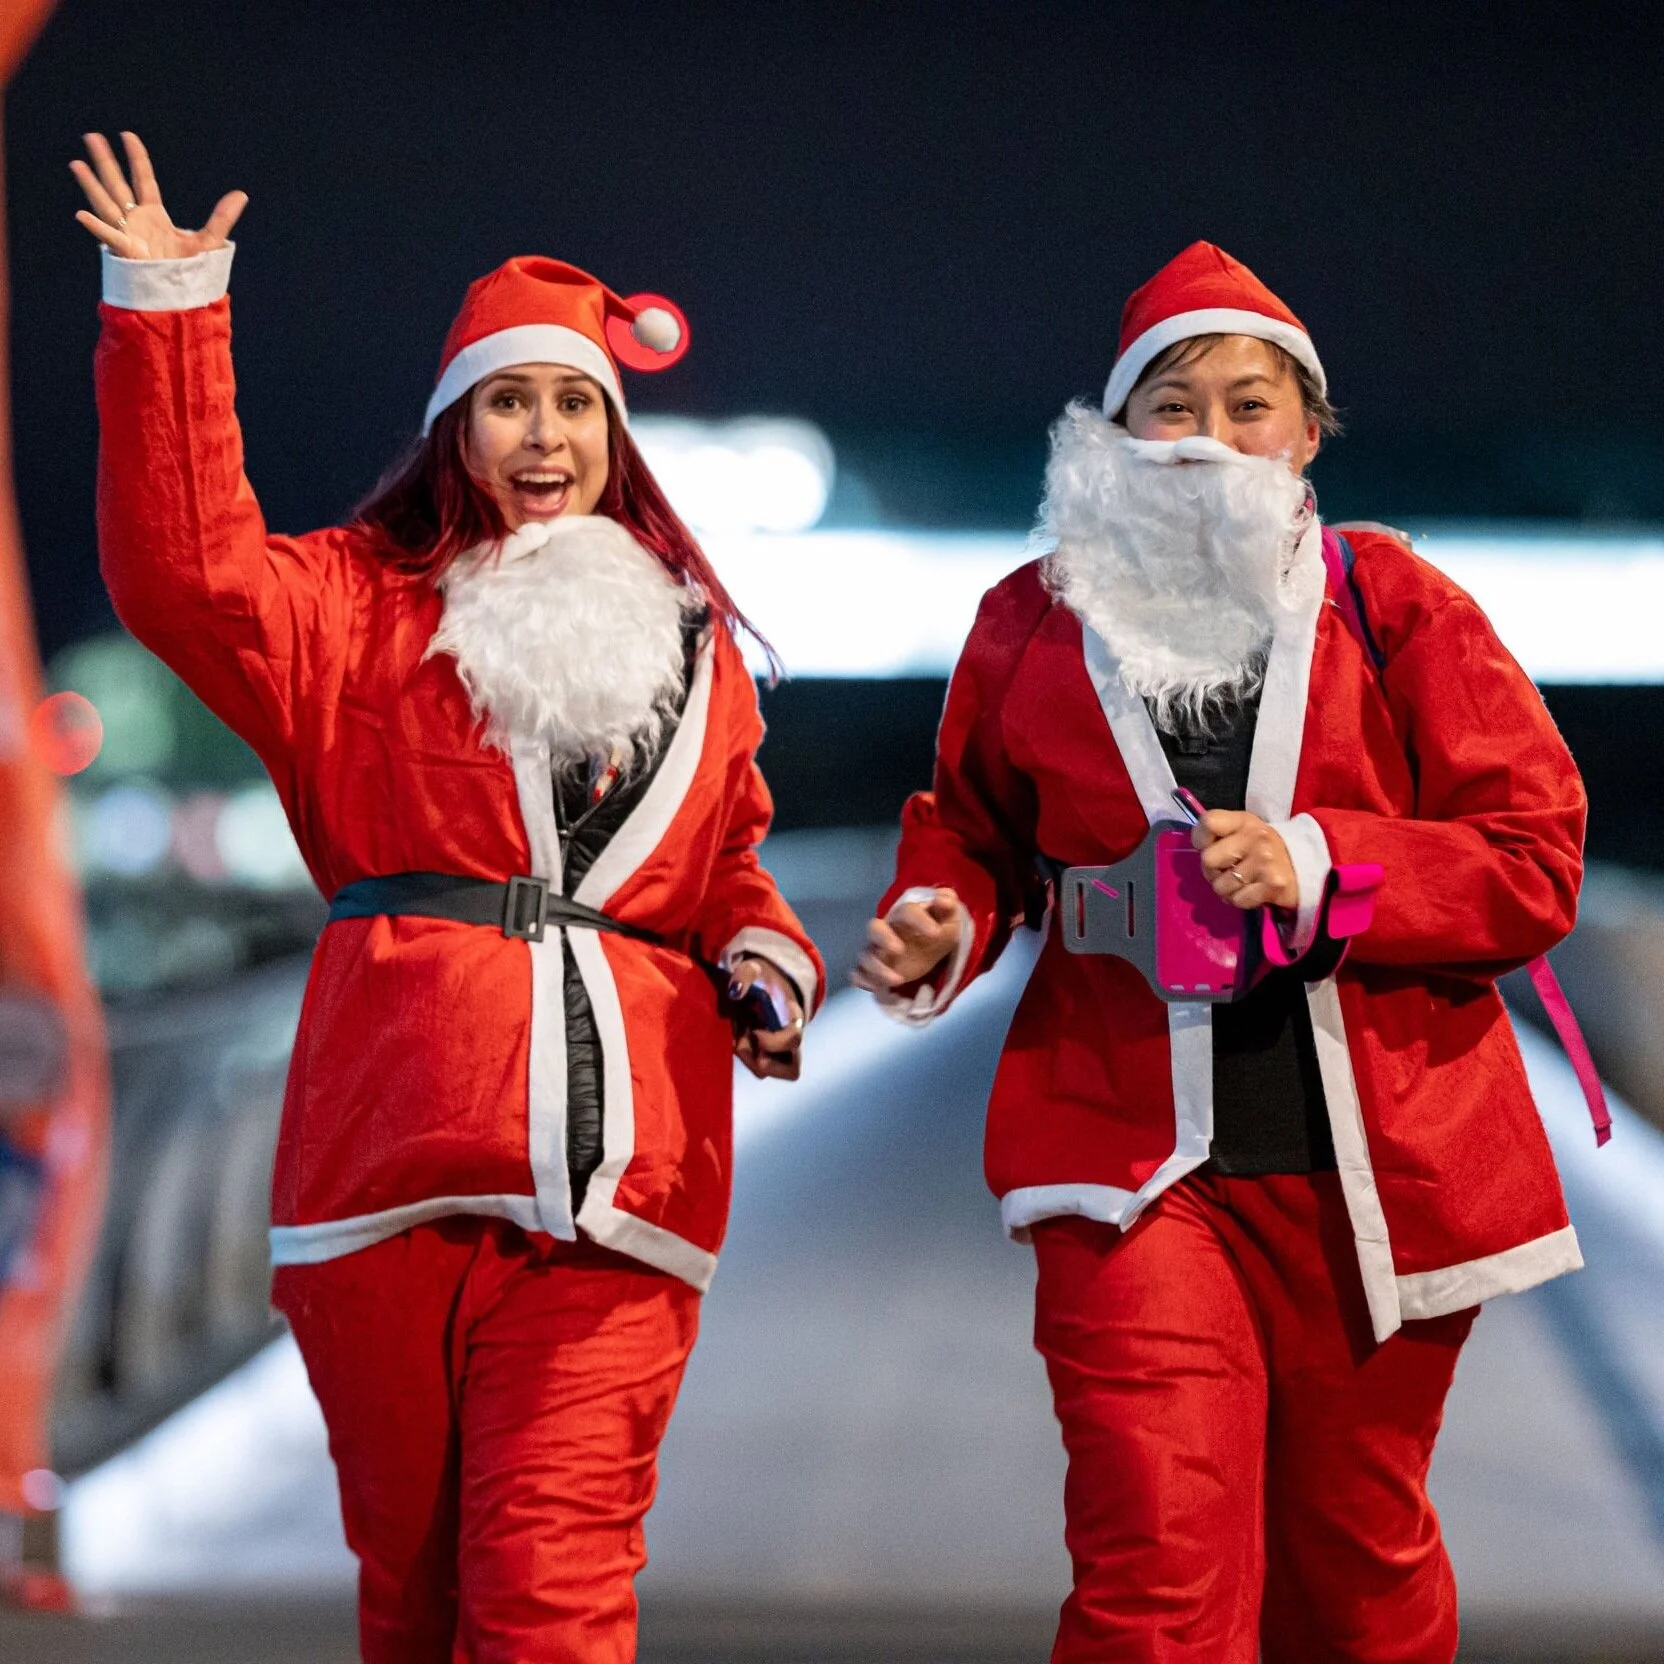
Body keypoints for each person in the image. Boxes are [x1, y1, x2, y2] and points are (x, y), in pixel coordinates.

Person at [74, 130, 822, 1663]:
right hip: (387, 1166)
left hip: (627, 1186)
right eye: (507, 401)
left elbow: (732, 860)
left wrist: (767, 953)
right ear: (452, 430)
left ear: (616, 430)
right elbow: (181, 574)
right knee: (415, 1600)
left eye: (573, 403)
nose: (544, 436)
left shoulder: (696, 647)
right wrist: (167, 311)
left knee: (550, 1588)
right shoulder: (348, 606)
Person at [855, 241, 1587, 1662]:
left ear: (1308, 434)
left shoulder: (1401, 605)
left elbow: (1534, 857)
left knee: (1356, 1576)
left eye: (1248, 405)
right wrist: (941, 915)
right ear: (1117, 436)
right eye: (1171, 405)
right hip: (1129, 1165)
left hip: (1376, 1176)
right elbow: (974, 834)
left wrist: (1324, 861)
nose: (1208, 438)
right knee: (1152, 1576)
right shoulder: (1030, 619)